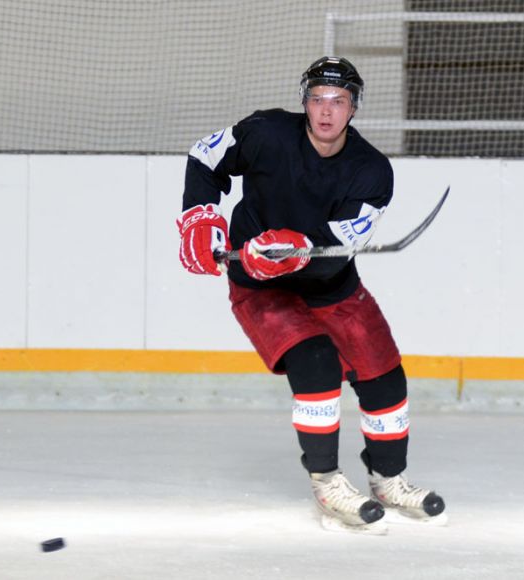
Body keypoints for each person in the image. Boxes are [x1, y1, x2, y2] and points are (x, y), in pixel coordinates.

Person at [176, 56, 446, 532]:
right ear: (304, 102)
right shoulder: (266, 133)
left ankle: (388, 478)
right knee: (316, 363)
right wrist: (200, 217)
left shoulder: (371, 172)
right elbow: (205, 156)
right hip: (261, 290)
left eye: (338, 101)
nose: (326, 111)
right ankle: (327, 482)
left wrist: (301, 250)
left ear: (354, 108)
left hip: (332, 285)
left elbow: (340, 245)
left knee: (384, 375)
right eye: (318, 99)